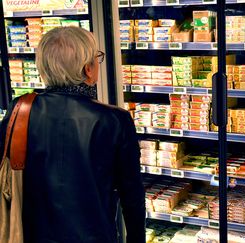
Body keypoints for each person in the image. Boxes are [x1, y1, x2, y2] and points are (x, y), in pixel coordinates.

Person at [0, 27, 145, 243]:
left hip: (33, 235)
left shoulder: (20, 110)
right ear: (88, 69)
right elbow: (131, 196)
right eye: (98, 58)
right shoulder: (115, 120)